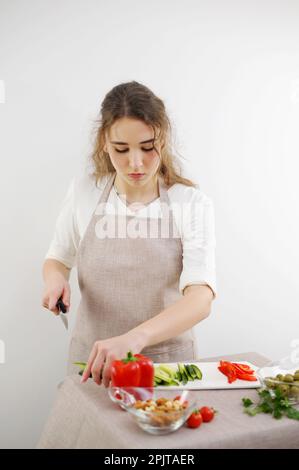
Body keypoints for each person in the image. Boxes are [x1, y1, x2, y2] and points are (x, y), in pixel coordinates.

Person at [41, 80, 217, 388]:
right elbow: (58, 256)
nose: (135, 162)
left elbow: (201, 298)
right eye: (121, 149)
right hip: (93, 365)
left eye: (148, 147)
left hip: (164, 367)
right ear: (104, 144)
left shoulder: (189, 202)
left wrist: (135, 339)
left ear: (162, 140)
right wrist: (56, 279)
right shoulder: (85, 192)